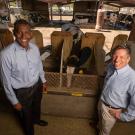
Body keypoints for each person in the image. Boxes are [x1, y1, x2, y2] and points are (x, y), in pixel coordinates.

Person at [0, 19, 48, 135]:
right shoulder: (5, 54)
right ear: (14, 33)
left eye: (27, 32)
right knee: (25, 114)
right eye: (19, 32)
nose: (23, 36)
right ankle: (29, 131)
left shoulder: (35, 48)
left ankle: (36, 120)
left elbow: (39, 66)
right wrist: (14, 101)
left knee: (37, 105)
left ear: (31, 33)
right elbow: (5, 81)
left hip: (37, 85)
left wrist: (43, 80)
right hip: (22, 91)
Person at [98, 44, 135, 135]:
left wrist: (124, 116)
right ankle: (99, 126)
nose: (117, 60)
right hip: (101, 102)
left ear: (128, 59)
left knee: (105, 132)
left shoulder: (132, 78)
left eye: (122, 57)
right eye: (115, 56)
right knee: (100, 120)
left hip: (112, 110)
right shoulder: (111, 66)